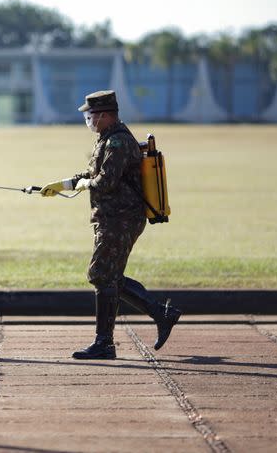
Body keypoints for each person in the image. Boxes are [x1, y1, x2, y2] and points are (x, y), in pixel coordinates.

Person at [40, 90, 181, 359]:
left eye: (90, 115)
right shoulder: (106, 139)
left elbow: (105, 182)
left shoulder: (117, 142)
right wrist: (62, 184)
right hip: (111, 218)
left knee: (101, 275)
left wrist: (84, 185)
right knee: (108, 276)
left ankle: (106, 343)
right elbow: (93, 173)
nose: (88, 120)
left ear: (104, 115)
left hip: (120, 219)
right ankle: (161, 315)